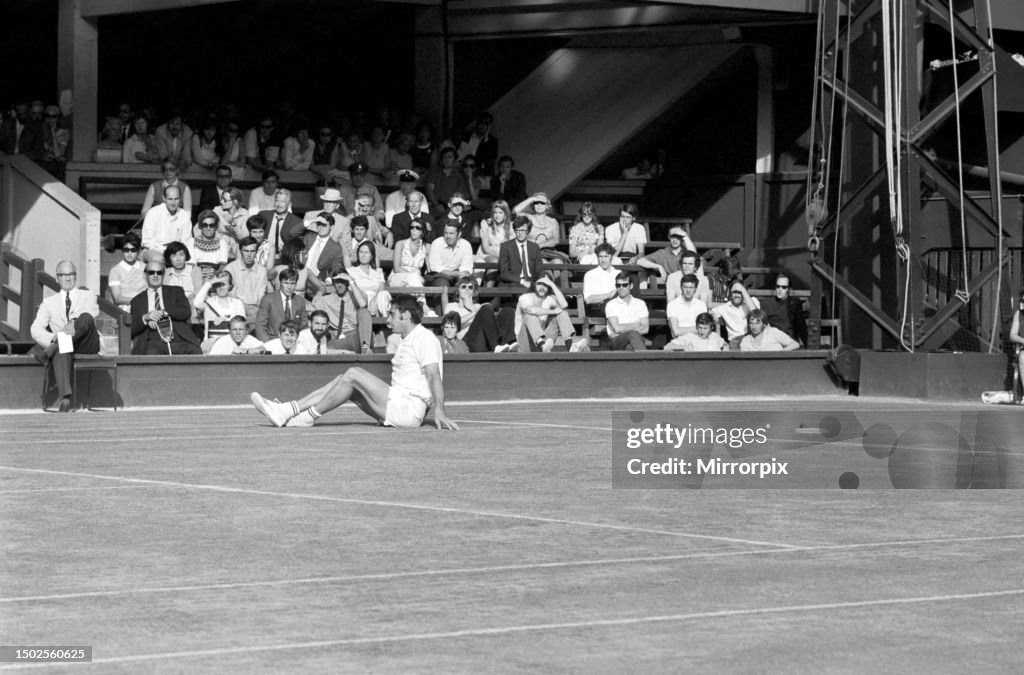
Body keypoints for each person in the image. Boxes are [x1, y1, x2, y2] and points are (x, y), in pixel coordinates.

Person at [251, 294, 458, 430]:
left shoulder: (424, 338)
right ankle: (291, 411)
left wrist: (439, 409)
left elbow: (433, 375)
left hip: (408, 410)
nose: (388, 320)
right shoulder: (406, 340)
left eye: (392, 315)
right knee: (345, 381)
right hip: (398, 405)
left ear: (405, 315)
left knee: (353, 373)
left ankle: (304, 416)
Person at [29, 261, 101, 412]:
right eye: (63, 275)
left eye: (71, 274)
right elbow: (35, 329)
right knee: (63, 346)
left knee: (86, 317)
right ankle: (65, 399)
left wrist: (73, 322)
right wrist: (54, 338)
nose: (68, 278)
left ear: (75, 276)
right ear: (57, 278)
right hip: (65, 347)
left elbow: (91, 313)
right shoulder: (48, 302)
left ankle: (50, 351)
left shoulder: (88, 294)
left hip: (87, 342)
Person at [129, 260, 203, 355]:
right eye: (151, 272)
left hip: (179, 337)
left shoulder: (176, 291)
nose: (155, 275)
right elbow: (131, 330)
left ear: (163, 275)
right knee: (151, 353)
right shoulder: (137, 301)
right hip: (153, 340)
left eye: (159, 273)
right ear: (145, 275)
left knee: (195, 352)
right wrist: (146, 318)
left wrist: (162, 313)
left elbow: (186, 313)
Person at [451, 276, 517, 353]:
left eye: (470, 287)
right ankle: (496, 345)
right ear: (458, 290)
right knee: (486, 308)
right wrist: (473, 312)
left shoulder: (478, 306)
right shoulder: (452, 306)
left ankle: (510, 343)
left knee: (507, 310)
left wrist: (474, 307)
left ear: (474, 292)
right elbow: (452, 324)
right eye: (463, 286)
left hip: (484, 342)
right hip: (466, 344)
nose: (467, 289)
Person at [515, 276, 581, 352]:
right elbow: (531, 310)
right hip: (525, 342)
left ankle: (570, 346)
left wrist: (552, 284)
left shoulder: (549, 298)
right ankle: (541, 345)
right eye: (540, 284)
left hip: (544, 341)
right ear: (534, 285)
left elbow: (564, 305)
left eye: (546, 285)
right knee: (529, 315)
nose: (542, 287)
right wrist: (553, 311)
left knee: (562, 313)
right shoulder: (524, 297)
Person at [311, 273, 371, 353]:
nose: (339, 285)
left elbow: (363, 304)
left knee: (364, 312)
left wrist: (351, 281)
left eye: (342, 281)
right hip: (340, 339)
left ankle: (365, 349)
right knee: (328, 347)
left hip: (358, 336)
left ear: (347, 282)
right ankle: (363, 350)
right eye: (337, 282)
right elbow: (314, 317)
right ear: (333, 282)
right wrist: (318, 293)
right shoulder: (325, 300)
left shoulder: (356, 296)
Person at [193, 270, 247, 352]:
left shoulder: (237, 303)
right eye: (218, 285)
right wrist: (209, 283)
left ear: (230, 286)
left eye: (224, 284)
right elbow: (196, 303)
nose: (221, 288)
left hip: (232, 344)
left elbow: (242, 326)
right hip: (211, 345)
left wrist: (228, 321)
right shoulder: (209, 302)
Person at [225, 236, 270, 327]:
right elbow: (232, 296)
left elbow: (261, 295)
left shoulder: (262, 270)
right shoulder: (231, 268)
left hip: (255, 309)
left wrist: (258, 310)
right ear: (241, 251)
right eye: (246, 251)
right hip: (236, 308)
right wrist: (246, 308)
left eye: (252, 251)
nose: (249, 255)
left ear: (256, 252)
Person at [255, 267, 308, 342]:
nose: (289, 287)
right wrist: (267, 344)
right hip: (273, 340)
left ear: (296, 284)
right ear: (280, 283)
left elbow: (304, 326)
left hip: (294, 342)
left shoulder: (300, 301)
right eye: (286, 283)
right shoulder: (268, 299)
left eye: (292, 283)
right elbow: (260, 325)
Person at [141, 185, 192, 262]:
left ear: (180, 198)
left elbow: (186, 240)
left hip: (176, 251)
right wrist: (166, 252)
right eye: (170, 199)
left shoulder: (184, 215)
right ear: (164, 198)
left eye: (176, 199)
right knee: (158, 259)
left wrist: (176, 253)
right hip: (155, 250)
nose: (173, 203)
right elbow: (147, 241)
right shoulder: (153, 213)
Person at [425, 221, 475, 294]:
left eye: (451, 233)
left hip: (459, 275)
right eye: (446, 233)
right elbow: (436, 268)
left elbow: (466, 267)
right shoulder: (437, 243)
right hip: (440, 276)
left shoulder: (466, 245)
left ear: (459, 234)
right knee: (442, 283)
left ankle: (469, 305)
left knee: (468, 283)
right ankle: (442, 305)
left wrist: (461, 275)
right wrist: (455, 273)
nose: (448, 236)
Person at [303, 213, 346, 296]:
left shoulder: (336, 248)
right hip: (301, 277)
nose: (321, 227)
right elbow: (292, 233)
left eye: (324, 225)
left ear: (332, 227)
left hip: (317, 282)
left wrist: (329, 278)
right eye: (319, 224)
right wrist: (311, 221)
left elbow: (336, 267)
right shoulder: (308, 237)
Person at [662, 274, 709, 350]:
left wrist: (682, 329)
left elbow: (703, 330)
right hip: (680, 341)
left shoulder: (701, 305)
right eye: (685, 287)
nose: (688, 290)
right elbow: (676, 332)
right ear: (681, 288)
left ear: (695, 289)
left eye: (691, 287)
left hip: (698, 341)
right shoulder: (672, 305)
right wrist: (695, 328)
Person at [604, 272, 648, 351]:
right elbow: (617, 328)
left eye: (624, 285)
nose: (621, 288)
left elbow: (645, 329)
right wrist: (637, 324)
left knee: (630, 347)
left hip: (635, 340)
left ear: (631, 286)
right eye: (618, 285)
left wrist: (623, 327)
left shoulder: (640, 304)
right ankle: (648, 361)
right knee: (632, 334)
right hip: (616, 341)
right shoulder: (611, 305)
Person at [761, 273, 807, 345]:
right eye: (778, 286)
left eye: (783, 287)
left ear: (788, 289)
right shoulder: (766, 304)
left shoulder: (794, 303)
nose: (780, 289)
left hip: (790, 343)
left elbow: (801, 326)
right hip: (773, 343)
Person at [425, 146, 470, 219]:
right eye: (444, 157)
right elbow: (429, 190)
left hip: (452, 208)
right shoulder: (434, 172)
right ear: (441, 159)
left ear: (454, 160)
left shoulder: (459, 176)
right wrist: (437, 204)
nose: (446, 159)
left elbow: (460, 196)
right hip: (435, 206)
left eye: (450, 157)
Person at [712, 282, 760, 349]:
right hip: (735, 341)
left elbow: (756, 314)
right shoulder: (725, 307)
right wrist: (716, 323)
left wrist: (743, 290)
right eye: (735, 292)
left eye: (739, 292)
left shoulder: (751, 302)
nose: (737, 295)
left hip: (751, 338)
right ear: (730, 294)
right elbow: (711, 313)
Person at [349, 240, 390, 318]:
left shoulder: (378, 272)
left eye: (366, 252)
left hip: (376, 304)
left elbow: (381, 289)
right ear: (357, 254)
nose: (363, 255)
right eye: (361, 252)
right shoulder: (351, 271)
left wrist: (374, 301)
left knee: (384, 294)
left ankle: (385, 321)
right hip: (359, 304)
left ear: (371, 256)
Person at [499, 216, 543, 288]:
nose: (519, 233)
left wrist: (541, 282)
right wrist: (522, 281)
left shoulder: (534, 247)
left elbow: (539, 270)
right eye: (517, 230)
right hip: (515, 282)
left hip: (532, 282)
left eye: (522, 230)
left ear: (528, 231)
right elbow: (504, 273)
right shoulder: (506, 247)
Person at [107, 233, 147, 311]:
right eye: (126, 250)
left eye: (133, 250)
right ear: (122, 251)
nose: (129, 253)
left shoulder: (145, 267)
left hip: (146, 307)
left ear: (138, 251)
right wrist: (139, 301)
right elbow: (117, 299)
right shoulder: (115, 271)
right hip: (126, 310)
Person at [260, 187, 304, 252]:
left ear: (289, 204)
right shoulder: (263, 215)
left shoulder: (296, 222)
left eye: (282, 201)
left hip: (284, 256)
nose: (279, 204)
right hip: (264, 253)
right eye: (277, 201)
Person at [581, 243, 619, 318]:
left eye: (606, 256)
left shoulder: (618, 273)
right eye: (600, 257)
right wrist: (608, 295)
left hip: (619, 307)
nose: (603, 260)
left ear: (611, 257)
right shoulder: (590, 274)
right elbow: (588, 299)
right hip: (598, 308)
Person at [390, 220, 430, 288]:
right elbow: (396, 268)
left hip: (416, 281)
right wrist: (413, 275)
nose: (414, 230)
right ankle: (421, 298)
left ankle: (420, 298)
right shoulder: (400, 244)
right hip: (398, 277)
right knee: (413, 278)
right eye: (412, 227)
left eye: (417, 228)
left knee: (413, 281)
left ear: (422, 231)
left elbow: (429, 269)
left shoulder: (426, 247)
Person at [478, 200, 513, 266]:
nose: (497, 215)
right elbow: (486, 248)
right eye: (495, 213)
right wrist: (500, 256)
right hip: (487, 254)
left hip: (505, 256)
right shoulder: (486, 225)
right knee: (495, 261)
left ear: (505, 214)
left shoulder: (511, 227)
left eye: (500, 213)